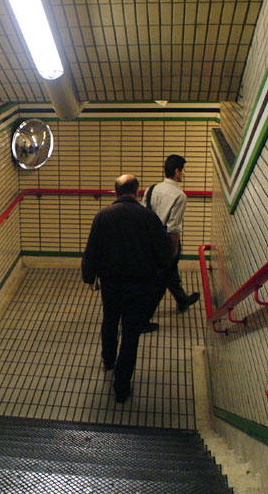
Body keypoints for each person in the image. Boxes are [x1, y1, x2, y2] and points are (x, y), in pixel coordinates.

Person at [82, 174, 172, 403]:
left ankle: (108, 360)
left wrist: (89, 277)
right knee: (131, 333)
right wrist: (158, 272)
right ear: (137, 192)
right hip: (139, 284)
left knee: (110, 320)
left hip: (110, 283)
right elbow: (164, 253)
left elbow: (92, 249)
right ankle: (121, 387)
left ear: (116, 192)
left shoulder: (103, 216)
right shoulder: (148, 217)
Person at [140, 154, 200, 327]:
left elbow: (144, 215)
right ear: (177, 171)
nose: (184, 174)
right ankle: (143, 319)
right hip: (167, 240)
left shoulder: (151, 189)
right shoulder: (179, 195)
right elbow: (174, 227)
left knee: (169, 273)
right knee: (161, 281)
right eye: (183, 170)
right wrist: (173, 252)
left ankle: (182, 300)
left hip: (150, 239)